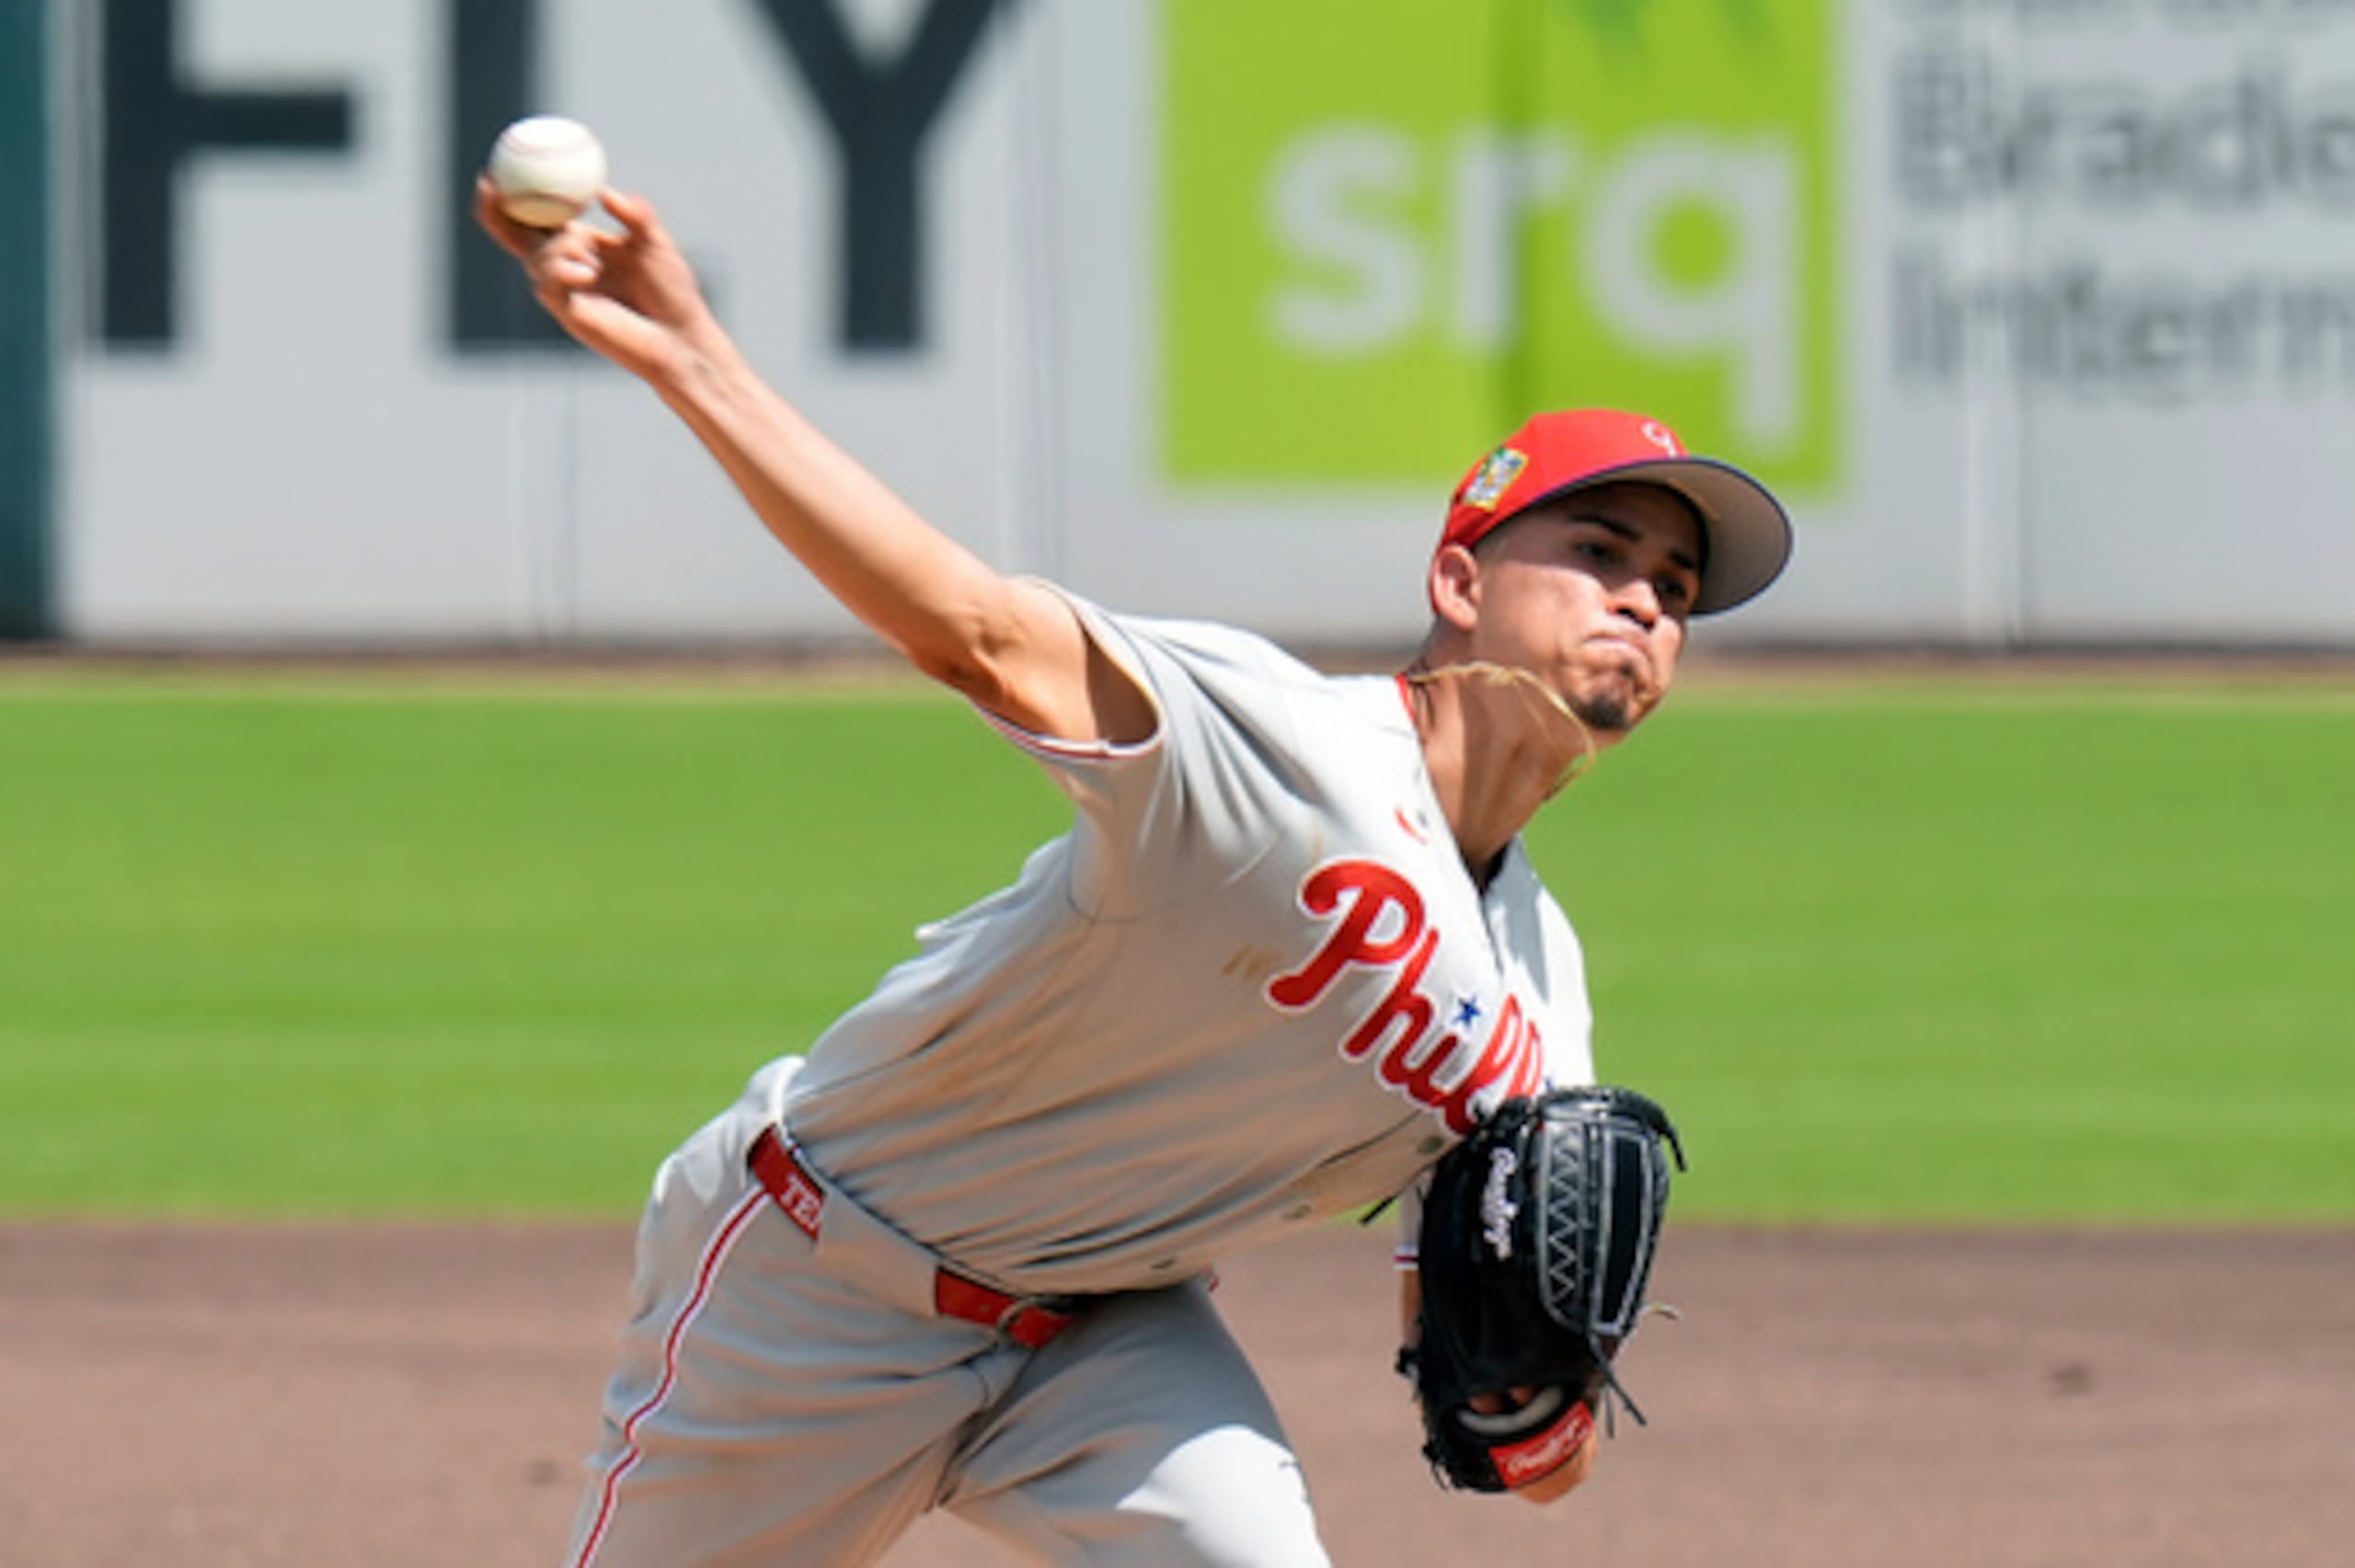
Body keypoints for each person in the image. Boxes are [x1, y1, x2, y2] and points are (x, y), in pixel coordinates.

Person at [477, 177, 1791, 1568]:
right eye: (1598, 552)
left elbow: (1491, 1383)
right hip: (821, 1285)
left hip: (1115, 1340)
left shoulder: (1543, 986)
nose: (1644, 600)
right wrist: (697, 359)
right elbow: (972, 628)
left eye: (1676, 589)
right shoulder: (1280, 747)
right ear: (1459, 580)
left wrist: (1538, 1415)